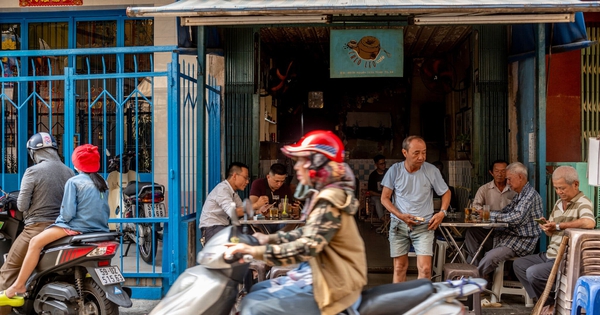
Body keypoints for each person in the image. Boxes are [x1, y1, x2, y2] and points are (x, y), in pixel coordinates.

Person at [225, 130, 367, 315]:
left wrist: (255, 251)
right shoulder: (321, 195)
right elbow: (305, 233)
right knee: (257, 291)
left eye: (302, 162)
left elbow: (305, 248)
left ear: (317, 165)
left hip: (334, 286)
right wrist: (268, 239)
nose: (297, 168)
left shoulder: (330, 200)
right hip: (318, 273)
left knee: (253, 304)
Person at [0, 144, 110, 305]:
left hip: (76, 227)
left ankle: (19, 284)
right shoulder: (102, 181)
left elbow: (67, 213)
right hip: (100, 229)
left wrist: (58, 224)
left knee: (35, 242)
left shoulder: (73, 181)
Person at [0, 133, 74, 313]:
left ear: (34, 153)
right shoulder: (69, 171)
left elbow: (22, 205)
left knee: (9, 268)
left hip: (36, 229)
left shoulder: (32, 171)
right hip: (62, 228)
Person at [514, 166, 595, 315]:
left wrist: (559, 225)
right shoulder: (559, 203)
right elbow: (553, 232)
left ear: (575, 184)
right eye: (556, 188)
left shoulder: (583, 202)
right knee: (519, 264)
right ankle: (543, 301)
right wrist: (548, 228)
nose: (559, 192)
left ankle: (549, 304)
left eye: (562, 188)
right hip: (550, 254)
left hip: (563, 258)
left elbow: (589, 222)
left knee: (533, 273)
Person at [381, 135, 451, 282]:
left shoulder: (431, 170)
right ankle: (400, 303)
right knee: (400, 267)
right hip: (399, 226)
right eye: (416, 153)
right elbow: (384, 198)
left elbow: (446, 192)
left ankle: (421, 303)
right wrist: (400, 215)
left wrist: (442, 213)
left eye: (424, 152)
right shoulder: (395, 171)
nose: (421, 157)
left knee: (425, 269)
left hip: (424, 226)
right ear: (405, 153)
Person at [464, 162, 543, 278]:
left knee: (491, 256)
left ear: (520, 177)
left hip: (519, 241)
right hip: (506, 236)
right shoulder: (519, 195)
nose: (508, 183)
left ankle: (474, 280)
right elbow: (505, 212)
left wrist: (489, 216)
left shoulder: (530, 196)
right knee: (473, 233)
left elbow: (516, 217)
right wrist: (485, 215)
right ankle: (476, 268)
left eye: (509, 179)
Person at [200, 162, 255, 243]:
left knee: (254, 234)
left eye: (248, 179)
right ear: (235, 176)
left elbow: (241, 210)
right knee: (240, 240)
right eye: (245, 178)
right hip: (211, 228)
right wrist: (256, 205)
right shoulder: (222, 189)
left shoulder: (233, 193)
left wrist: (259, 212)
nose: (247, 182)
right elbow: (233, 212)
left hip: (223, 227)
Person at [368, 154, 387, 220]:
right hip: (377, 196)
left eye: (384, 163)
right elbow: (370, 192)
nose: (383, 165)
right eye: (381, 164)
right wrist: (381, 195)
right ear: (376, 165)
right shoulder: (373, 176)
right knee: (377, 201)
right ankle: (383, 218)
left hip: (388, 196)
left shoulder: (389, 172)